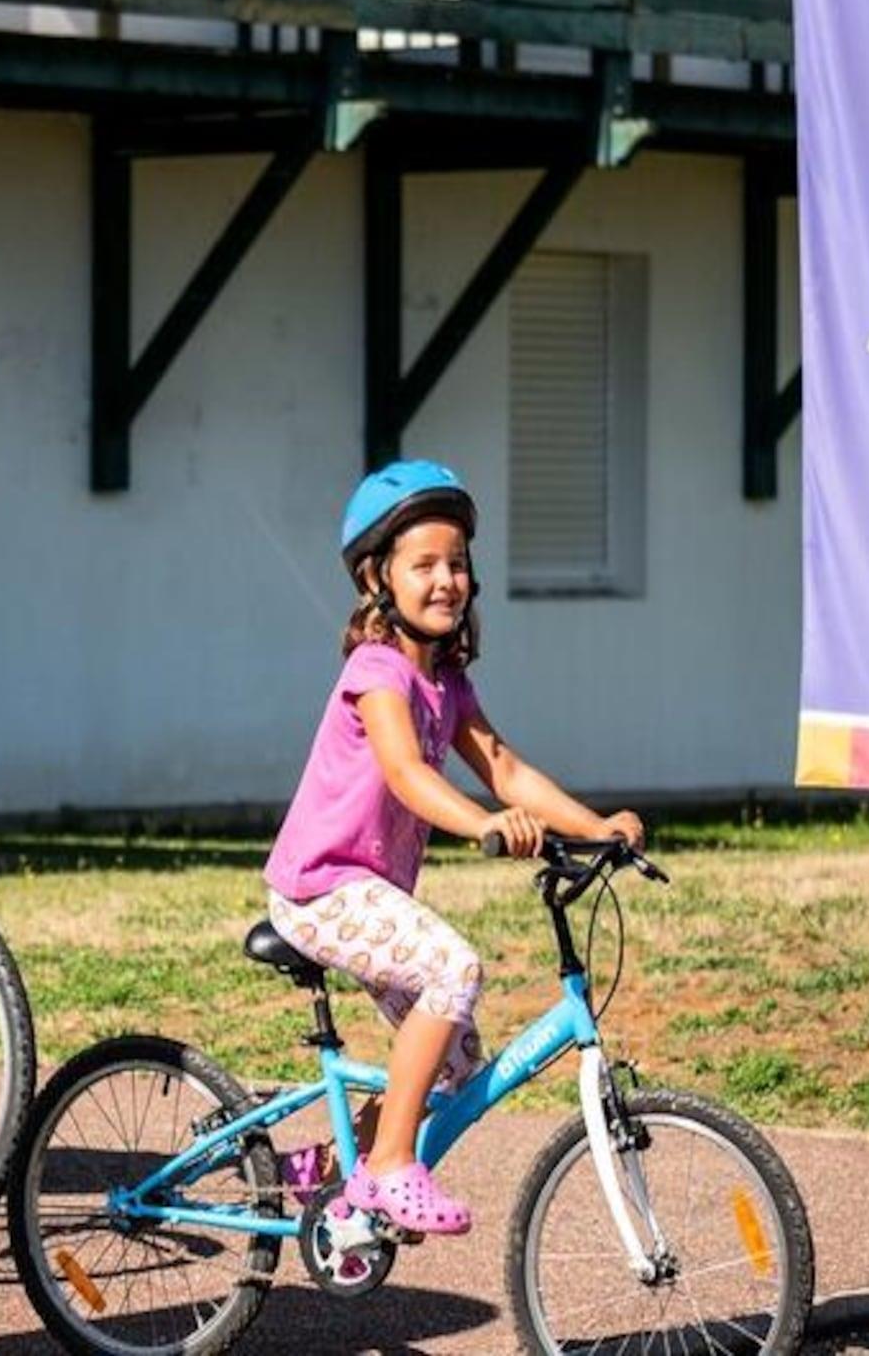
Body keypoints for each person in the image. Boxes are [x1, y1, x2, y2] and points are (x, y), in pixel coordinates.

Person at [262, 459, 642, 1235]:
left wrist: (594, 826)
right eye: (424, 564)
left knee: (456, 1061)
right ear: (377, 578)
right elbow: (405, 771)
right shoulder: (377, 670)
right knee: (453, 968)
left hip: (368, 893)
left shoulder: (447, 680)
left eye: (458, 563)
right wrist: (483, 824)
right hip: (320, 886)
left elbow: (504, 766)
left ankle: (333, 1170)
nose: (446, 580)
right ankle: (391, 1165)